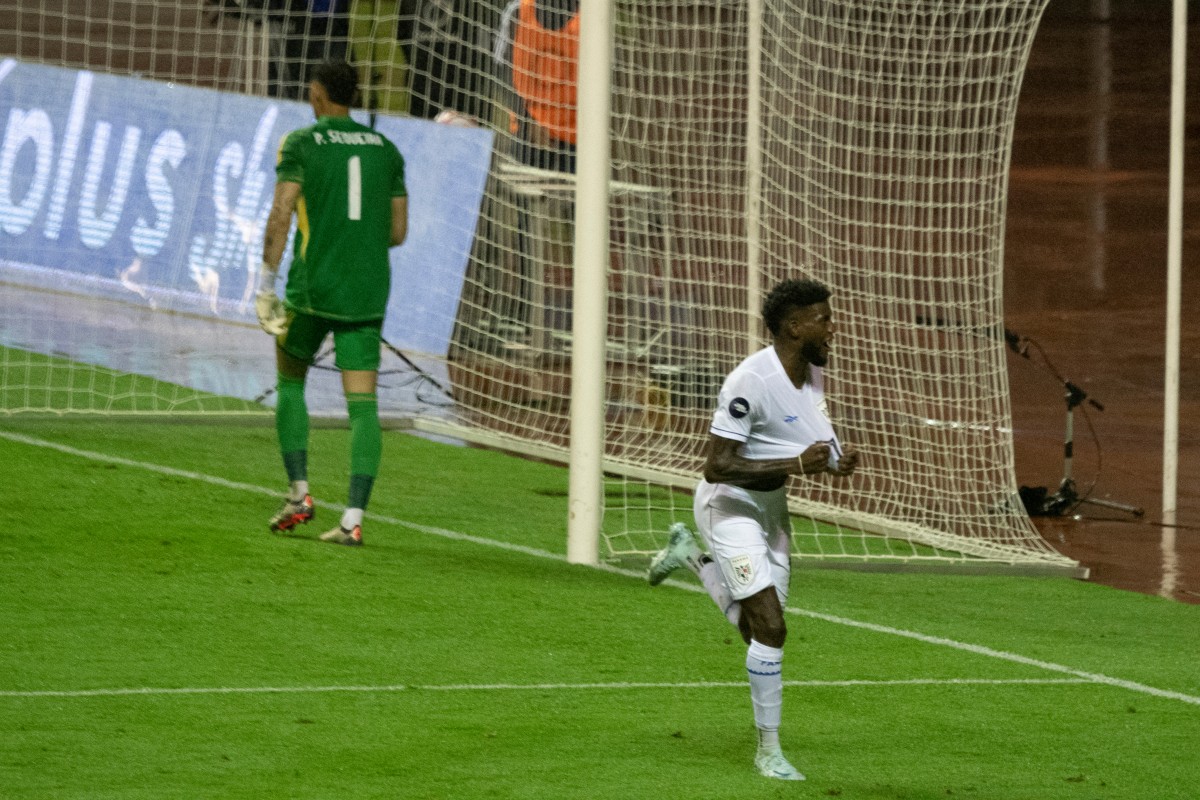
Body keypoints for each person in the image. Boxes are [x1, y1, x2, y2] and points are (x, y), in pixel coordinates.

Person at [647, 277, 861, 781]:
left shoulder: (810, 374)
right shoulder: (749, 381)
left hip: (771, 512)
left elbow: (805, 437)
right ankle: (769, 751)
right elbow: (716, 466)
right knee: (772, 627)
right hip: (729, 507)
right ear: (793, 326)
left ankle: (688, 558)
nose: (833, 328)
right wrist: (798, 463)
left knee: (755, 629)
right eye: (824, 319)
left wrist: (834, 462)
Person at [255, 59, 408, 546]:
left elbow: (282, 212)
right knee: (364, 406)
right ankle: (353, 519)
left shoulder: (301, 142)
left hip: (313, 290)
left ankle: (300, 493)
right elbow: (398, 232)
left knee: (291, 380)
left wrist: (265, 283)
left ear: (318, 94)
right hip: (366, 292)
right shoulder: (387, 149)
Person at [494, 0, 578, 173]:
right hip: (527, 126)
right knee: (524, 155)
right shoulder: (518, 11)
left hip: (574, 131)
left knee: (577, 176)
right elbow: (501, 72)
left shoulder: (592, 16)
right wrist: (528, 121)